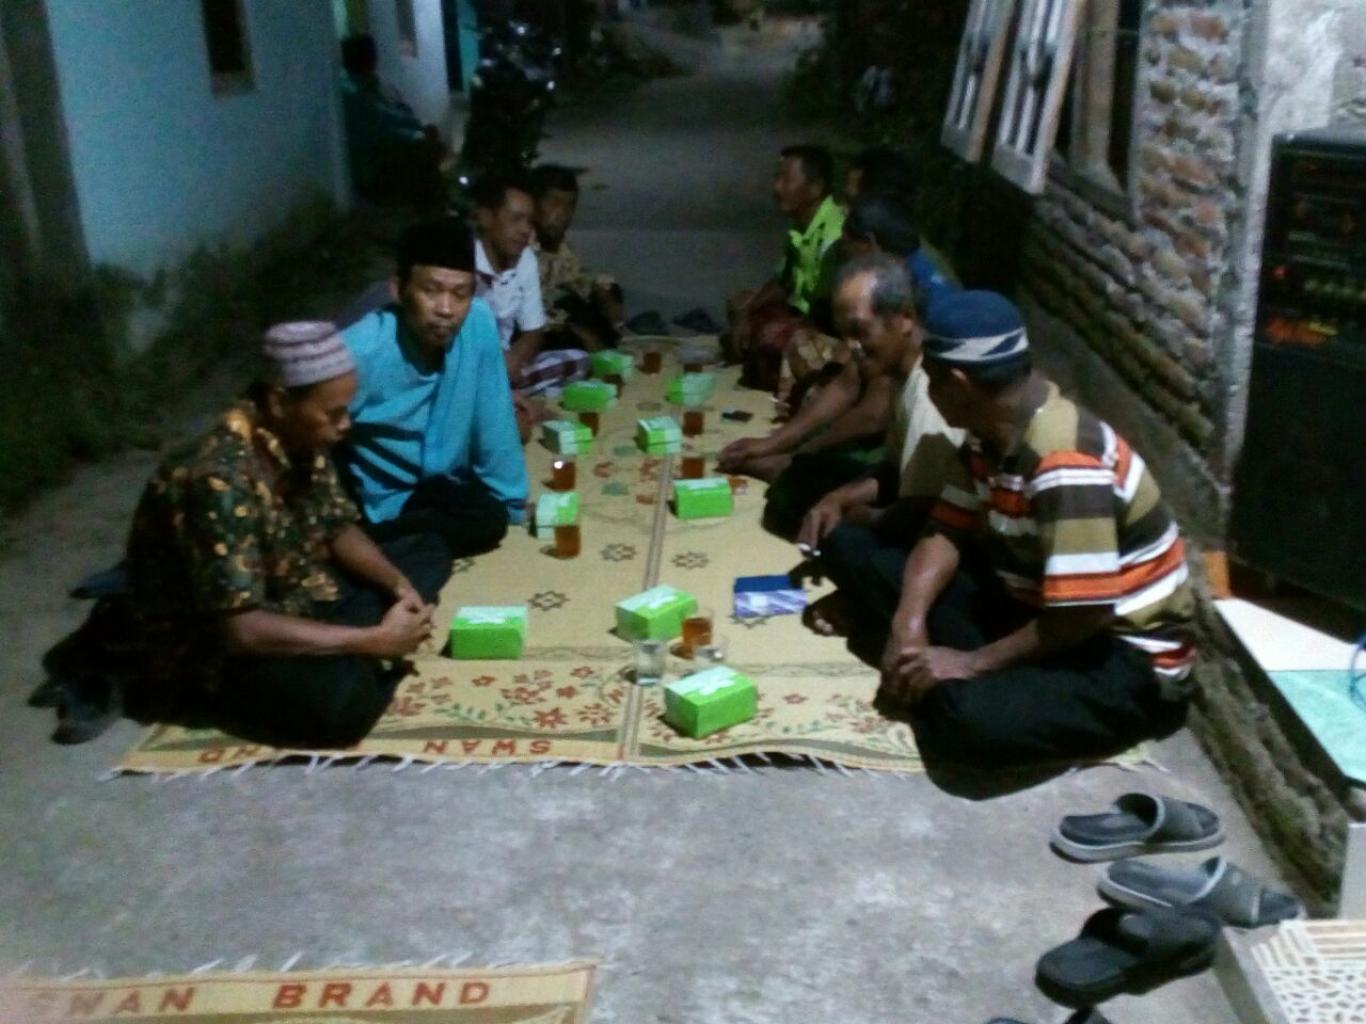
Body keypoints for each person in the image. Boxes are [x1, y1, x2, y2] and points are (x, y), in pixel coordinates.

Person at [822, 291, 1195, 768]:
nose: (929, 392)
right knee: (851, 547)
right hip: (1035, 609)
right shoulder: (988, 434)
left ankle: (966, 686)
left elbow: (1082, 614)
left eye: (932, 379)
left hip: (1119, 656)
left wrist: (970, 663)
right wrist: (908, 623)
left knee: (967, 726)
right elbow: (944, 530)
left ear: (958, 383)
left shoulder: (1065, 458)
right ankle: (952, 673)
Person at [43, 322, 451, 748]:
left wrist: (398, 586)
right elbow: (244, 631)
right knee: (339, 708)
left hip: (290, 589)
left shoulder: (300, 437)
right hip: (215, 638)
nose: (345, 424)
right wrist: (372, 641)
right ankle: (127, 663)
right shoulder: (217, 479)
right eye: (332, 413)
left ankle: (346, 643)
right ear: (279, 403)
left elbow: (336, 526)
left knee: (427, 552)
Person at [341, 218, 528, 552]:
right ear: (399, 290)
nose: (446, 309)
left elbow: (494, 421)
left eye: (460, 294)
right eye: (431, 291)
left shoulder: (477, 323)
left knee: (489, 515)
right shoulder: (361, 349)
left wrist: (512, 502)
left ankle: (390, 543)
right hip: (381, 493)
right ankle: (370, 541)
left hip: (438, 484)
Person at [765, 255, 961, 550]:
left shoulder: (928, 398)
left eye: (859, 332)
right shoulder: (900, 373)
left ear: (905, 319)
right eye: (845, 335)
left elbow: (918, 518)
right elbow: (891, 472)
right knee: (801, 480)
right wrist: (837, 499)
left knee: (841, 540)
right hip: (910, 497)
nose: (851, 347)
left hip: (934, 530)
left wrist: (855, 516)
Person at [726, 144, 845, 393]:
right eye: (777, 179)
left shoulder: (835, 234)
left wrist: (783, 329)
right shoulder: (801, 224)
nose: (777, 188)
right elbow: (784, 281)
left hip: (825, 326)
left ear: (815, 188)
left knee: (770, 337)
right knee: (740, 303)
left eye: (787, 180)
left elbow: (828, 312)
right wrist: (746, 311)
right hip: (799, 314)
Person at [472, 175, 590, 398]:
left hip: (504, 365)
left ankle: (507, 398)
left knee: (579, 359)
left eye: (529, 221)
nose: (526, 230)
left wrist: (512, 361)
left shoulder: (525, 258)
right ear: (486, 218)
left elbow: (533, 330)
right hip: (464, 368)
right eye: (516, 219)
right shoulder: (463, 258)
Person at [339, 33, 446, 206]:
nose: (375, 59)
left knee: (427, 142)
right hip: (370, 165)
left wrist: (418, 124)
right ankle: (430, 207)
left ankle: (432, 204)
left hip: (379, 152)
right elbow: (382, 132)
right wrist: (417, 133)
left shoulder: (363, 84)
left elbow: (386, 115)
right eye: (372, 54)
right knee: (427, 149)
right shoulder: (353, 92)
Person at [530, 163, 624, 352]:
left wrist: (601, 293)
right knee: (572, 330)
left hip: (555, 309)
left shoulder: (558, 243)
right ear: (534, 204)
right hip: (531, 325)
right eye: (554, 203)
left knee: (607, 291)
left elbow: (576, 275)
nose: (563, 213)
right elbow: (527, 309)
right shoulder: (521, 244)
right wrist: (578, 331)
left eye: (570, 204)